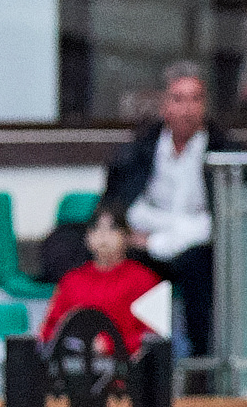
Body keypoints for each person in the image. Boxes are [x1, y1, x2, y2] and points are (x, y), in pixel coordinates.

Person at [105, 62, 233, 385]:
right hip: (147, 246)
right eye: (178, 99)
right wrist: (157, 235)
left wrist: (163, 237)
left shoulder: (222, 150)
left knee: (199, 268)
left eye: (194, 99)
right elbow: (127, 208)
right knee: (131, 268)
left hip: (196, 251)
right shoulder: (142, 148)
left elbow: (216, 221)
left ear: (204, 106)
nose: (186, 109)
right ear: (164, 105)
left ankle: (200, 372)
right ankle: (140, 370)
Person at [42, 203, 160, 352]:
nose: (103, 235)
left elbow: (154, 337)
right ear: (87, 237)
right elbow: (50, 331)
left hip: (126, 367)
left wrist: (110, 345)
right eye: (96, 228)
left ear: (127, 236)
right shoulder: (71, 280)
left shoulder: (145, 280)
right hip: (73, 367)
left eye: (112, 228)